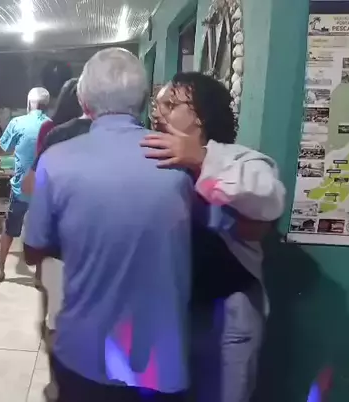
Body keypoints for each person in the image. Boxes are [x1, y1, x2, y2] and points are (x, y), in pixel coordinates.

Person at [23, 48, 192, 402]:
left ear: (84, 101)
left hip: (85, 350)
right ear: (144, 100)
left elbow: (33, 249)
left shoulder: (57, 160)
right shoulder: (181, 161)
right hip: (160, 358)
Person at [142, 72, 285, 402]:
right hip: (168, 312)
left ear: (201, 115)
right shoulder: (152, 161)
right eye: (156, 105)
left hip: (226, 314)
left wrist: (201, 160)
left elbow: (268, 199)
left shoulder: (240, 159)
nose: (158, 113)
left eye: (170, 104)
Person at [19, 77, 88, 401]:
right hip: (100, 245)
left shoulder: (55, 132)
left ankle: (60, 380)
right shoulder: (136, 140)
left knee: (55, 316)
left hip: (59, 242)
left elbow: (34, 185)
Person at [0, 87, 51, 282]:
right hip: (44, 190)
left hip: (20, 189)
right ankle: (40, 275)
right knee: (42, 233)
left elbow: (2, 149)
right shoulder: (53, 126)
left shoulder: (18, 123)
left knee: (9, 229)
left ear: (29, 103)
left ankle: (0, 268)